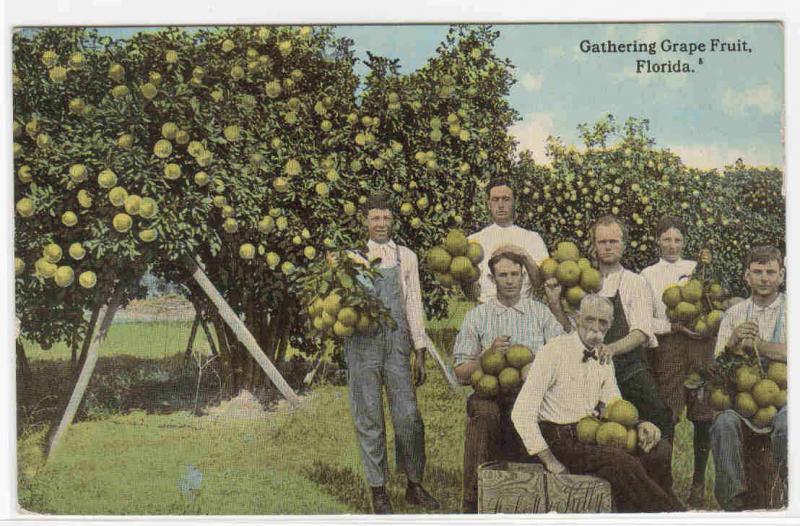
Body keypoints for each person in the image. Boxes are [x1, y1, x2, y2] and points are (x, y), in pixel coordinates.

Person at [510, 295, 685, 513]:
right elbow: (521, 413)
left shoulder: (603, 357)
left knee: (659, 450)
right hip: (558, 439)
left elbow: (612, 404)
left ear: (610, 325)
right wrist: (551, 461)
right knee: (622, 463)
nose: (596, 327)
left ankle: (650, 510)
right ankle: (674, 515)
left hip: (591, 434)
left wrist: (640, 424)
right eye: (589, 320)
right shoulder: (553, 352)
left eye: (603, 322)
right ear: (576, 319)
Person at [341, 191, 439, 514]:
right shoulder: (351, 257)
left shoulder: (405, 256)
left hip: (396, 344)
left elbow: (413, 302)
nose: (380, 223)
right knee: (369, 415)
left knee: (408, 416)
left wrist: (420, 349)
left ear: (393, 220)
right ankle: (378, 489)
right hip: (362, 345)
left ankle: (414, 484)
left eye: (385, 217)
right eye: (374, 218)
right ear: (365, 221)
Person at [452, 248, 564, 513]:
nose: (510, 280)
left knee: (530, 415)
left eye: (515, 274)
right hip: (489, 393)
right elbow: (460, 373)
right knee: (485, 413)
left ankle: (528, 502)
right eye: (503, 275)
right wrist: (486, 357)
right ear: (492, 279)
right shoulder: (478, 316)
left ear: (524, 276)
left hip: (530, 394)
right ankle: (472, 501)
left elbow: (563, 349)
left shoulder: (539, 313)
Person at [589, 216, 675, 491]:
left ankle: (660, 488)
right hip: (590, 371)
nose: (608, 247)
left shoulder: (635, 283)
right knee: (599, 430)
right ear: (594, 246)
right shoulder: (583, 281)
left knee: (658, 418)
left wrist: (611, 349)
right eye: (602, 242)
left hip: (629, 367)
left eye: (613, 241)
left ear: (623, 245)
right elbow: (570, 327)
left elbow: (641, 332)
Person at [640, 216, 713, 508]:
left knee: (703, 416)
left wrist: (708, 266)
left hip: (699, 345)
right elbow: (646, 320)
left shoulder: (694, 269)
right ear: (657, 240)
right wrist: (673, 328)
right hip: (669, 348)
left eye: (678, 240)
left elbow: (710, 304)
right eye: (667, 239)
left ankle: (697, 484)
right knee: (667, 414)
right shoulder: (647, 274)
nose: (672, 245)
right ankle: (665, 485)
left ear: (684, 243)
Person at [710, 245, 786, 511]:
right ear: (746, 276)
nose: (764, 278)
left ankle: (786, 495)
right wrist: (732, 342)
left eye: (770, 272)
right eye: (757, 272)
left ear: (782, 275)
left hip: (785, 401)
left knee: (789, 423)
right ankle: (732, 505)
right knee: (724, 423)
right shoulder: (734, 315)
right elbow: (718, 370)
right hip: (744, 402)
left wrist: (760, 345)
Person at [468, 179, 549, 303]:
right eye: (495, 200)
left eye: (506, 199)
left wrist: (524, 256)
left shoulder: (533, 238)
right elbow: (472, 294)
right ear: (488, 204)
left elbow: (540, 284)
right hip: (488, 313)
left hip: (523, 313)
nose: (500, 205)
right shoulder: (474, 240)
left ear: (514, 202)